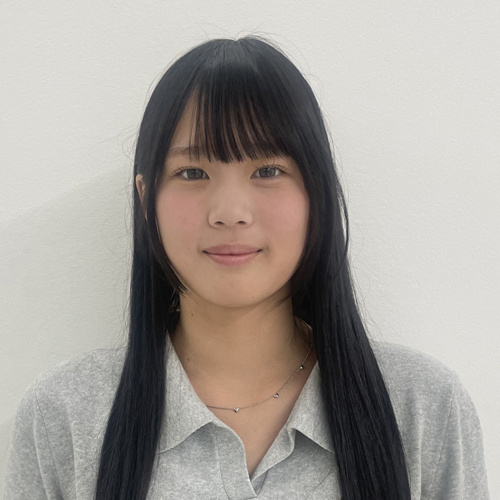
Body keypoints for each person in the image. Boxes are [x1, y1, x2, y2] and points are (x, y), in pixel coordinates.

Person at [3, 36, 490, 500]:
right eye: (192, 172)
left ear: (316, 194)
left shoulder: (423, 407)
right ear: (146, 199)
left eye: (268, 171)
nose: (230, 212)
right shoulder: (66, 415)